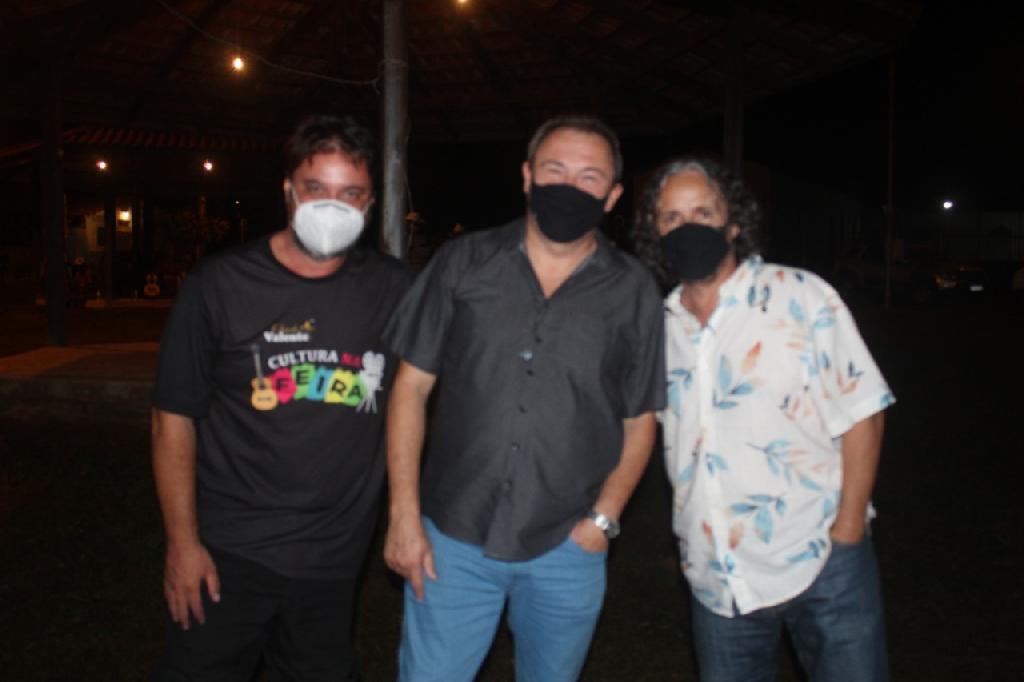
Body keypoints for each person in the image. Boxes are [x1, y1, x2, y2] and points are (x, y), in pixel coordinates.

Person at [382, 115, 666, 682]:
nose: (569, 186)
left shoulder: (633, 289)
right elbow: (411, 387)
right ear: (527, 176)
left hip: (567, 543)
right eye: (555, 170)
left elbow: (640, 419)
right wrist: (403, 515)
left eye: (589, 177)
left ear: (612, 196)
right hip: (453, 537)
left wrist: (602, 522)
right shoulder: (463, 262)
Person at [150, 114, 410, 681]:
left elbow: (428, 389)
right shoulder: (219, 286)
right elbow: (173, 418)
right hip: (228, 550)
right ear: (288, 190)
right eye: (316, 188)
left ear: (370, 205)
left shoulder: (394, 290)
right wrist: (182, 544)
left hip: (333, 555)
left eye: (351, 193)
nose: (332, 206)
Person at [633, 157, 895, 682]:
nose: (687, 227)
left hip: (822, 557)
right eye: (671, 217)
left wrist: (848, 529)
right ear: (655, 234)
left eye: (703, 213)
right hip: (717, 578)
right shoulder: (658, 328)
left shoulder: (800, 295)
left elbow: (862, 412)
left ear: (733, 223)